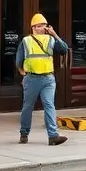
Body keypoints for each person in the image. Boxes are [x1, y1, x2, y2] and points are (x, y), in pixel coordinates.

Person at [17, 13, 68, 145]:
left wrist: (54, 34)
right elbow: (19, 60)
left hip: (48, 78)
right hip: (32, 78)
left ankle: (53, 136)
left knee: (49, 105)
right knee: (28, 106)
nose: (44, 28)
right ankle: (24, 133)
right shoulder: (26, 41)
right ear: (34, 27)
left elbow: (64, 49)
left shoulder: (50, 39)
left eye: (45, 26)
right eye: (41, 26)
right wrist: (23, 74)